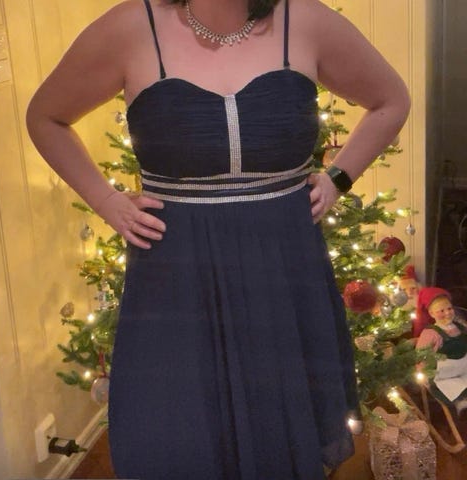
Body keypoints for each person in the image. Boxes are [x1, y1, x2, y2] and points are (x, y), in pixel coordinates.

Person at [26, 0, 410, 478]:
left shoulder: (304, 20)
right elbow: (46, 116)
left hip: (282, 267)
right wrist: (106, 200)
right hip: (175, 269)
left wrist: (338, 178)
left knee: (278, 420)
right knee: (178, 418)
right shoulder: (132, 27)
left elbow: (391, 100)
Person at [415, 287, 467, 413]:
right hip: (443, 375)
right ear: (432, 313)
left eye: (449, 308)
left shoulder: (460, 327)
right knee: (452, 388)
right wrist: (425, 373)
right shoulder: (431, 333)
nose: (447, 313)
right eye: (441, 311)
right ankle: (461, 405)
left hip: (463, 369)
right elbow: (420, 356)